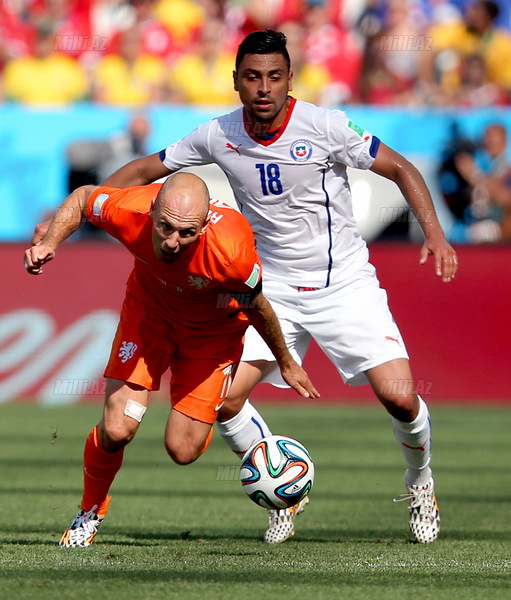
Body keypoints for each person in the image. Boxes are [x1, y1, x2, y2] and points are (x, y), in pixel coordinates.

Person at [37, 29, 458, 545]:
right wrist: (76, 214)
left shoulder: (326, 126)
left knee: (400, 397)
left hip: (343, 284)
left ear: (289, 80)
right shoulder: (218, 134)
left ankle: (420, 483)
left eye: (275, 77)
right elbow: (150, 168)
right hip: (265, 287)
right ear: (236, 81)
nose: (264, 88)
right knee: (227, 403)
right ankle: (281, 489)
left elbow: (400, 167)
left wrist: (434, 233)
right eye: (253, 77)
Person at [24, 172, 318, 548]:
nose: (172, 241)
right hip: (148, 320)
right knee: (116, 430)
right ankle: (90, 511)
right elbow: (83, 198)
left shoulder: (231, 253)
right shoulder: (129, 208)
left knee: (182, 450)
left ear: (205, 223)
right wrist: (51, 242)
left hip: (212, 337)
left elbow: (258, 307)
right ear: (153, 210)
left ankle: (255, 446)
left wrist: (287, 362)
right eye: (165, 227)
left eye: (186, 233)